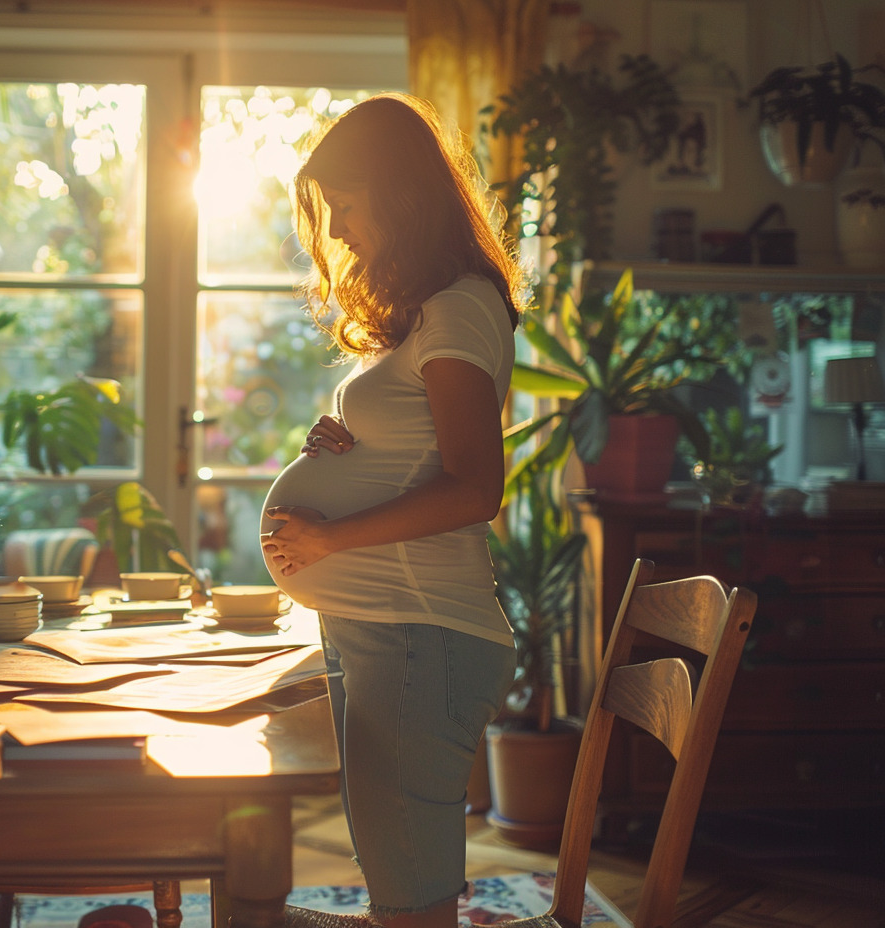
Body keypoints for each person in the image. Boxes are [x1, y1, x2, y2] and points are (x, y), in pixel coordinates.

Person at [259, 93, 525, 928]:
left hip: (420, 637)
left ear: (398, 192)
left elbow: (476, 488)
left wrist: (332, 532)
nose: (335, 231)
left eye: (344, 202)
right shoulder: (430, 314)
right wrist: (349, 446)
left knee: (413, 907)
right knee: (397, 887)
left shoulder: (457, 308)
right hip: (388, 633)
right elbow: (421, 450)